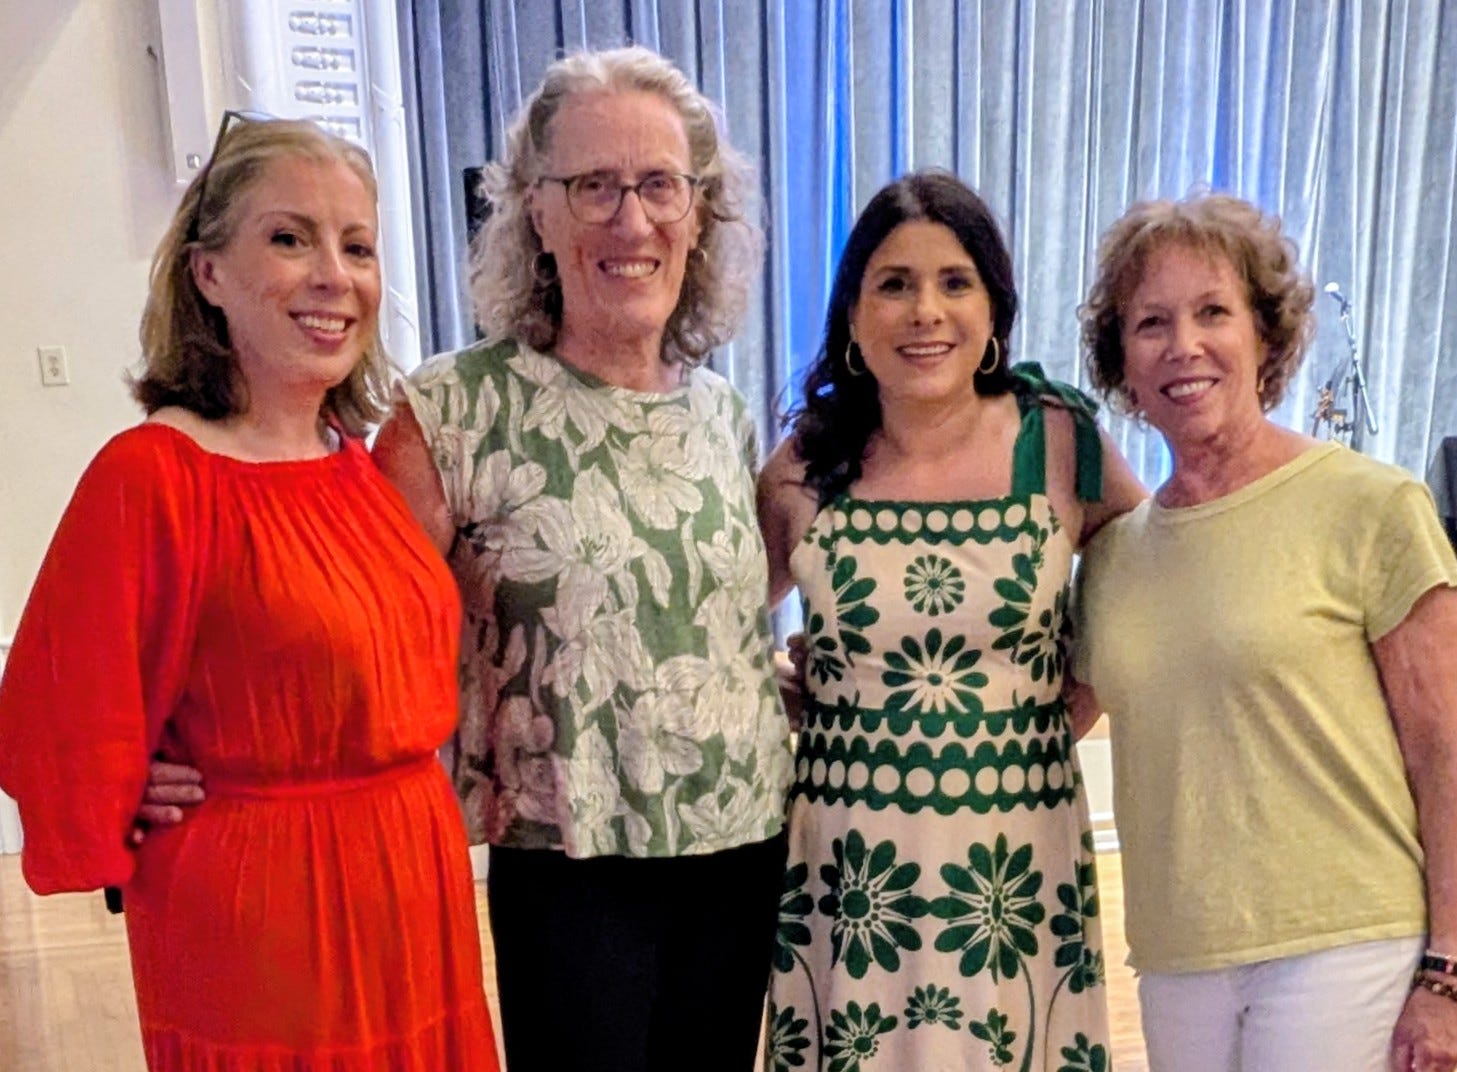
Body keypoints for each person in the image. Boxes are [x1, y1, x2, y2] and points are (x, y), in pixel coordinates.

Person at [142, 47, 796, 1072]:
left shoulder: (718, 408)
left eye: (659, 185)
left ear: (699, 211)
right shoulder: (454, 410)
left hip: (744, 838)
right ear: (535, 210)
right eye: (592, 185)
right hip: (569, 858)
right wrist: (156, 745)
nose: (630, 220)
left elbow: (721, 609)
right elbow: (329, 616)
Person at [0, 115, 499, 1070]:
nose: (334, 276)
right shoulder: (154, 475)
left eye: (357, 247)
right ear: (208, 274)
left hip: (411, 882)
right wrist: (117, 787)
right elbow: (51, 702)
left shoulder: (352, 465)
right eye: (289, 238)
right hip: (262, 910)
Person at [756, 170, 1145, 1072]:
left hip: (1012, 855)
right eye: (893, 284)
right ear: (853, 315)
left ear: (993, 306)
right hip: (850, 862)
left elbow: (1149, 572)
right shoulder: (806, 461)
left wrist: (1087, 683)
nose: (924, 311)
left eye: (954, 282)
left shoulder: (1055, 438)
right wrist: (767, 685)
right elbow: (707, 619)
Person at [1071, 191, 1457, 1072]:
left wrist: (1446, 972)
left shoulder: (1370, 506)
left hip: (1344, 942)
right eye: (1151, 322)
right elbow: (1042, 718)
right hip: (1176, 955)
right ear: (1121, 359)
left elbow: (1445, 753)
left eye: (1213, 312)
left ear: (1265, 337)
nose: (1183, 345)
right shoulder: (1116, 556)